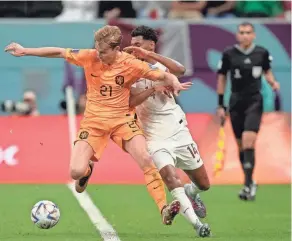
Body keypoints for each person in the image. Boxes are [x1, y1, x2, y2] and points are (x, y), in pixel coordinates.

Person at [4, 25, 192, 225]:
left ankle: (163, 209)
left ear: (115, 49)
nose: (98, 55)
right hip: (93, 123)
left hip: (123, 121)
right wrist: (25, 51)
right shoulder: (89, 56)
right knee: (75, 173)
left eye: (103, 52)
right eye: (97, 49)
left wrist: (174, 82)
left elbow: (165, 74)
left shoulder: (131, 64)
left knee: (146, 159)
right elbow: (59, 52)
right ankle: (86, 171)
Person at [123, 25, 211, 237]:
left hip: (178, 132)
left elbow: (180, 70)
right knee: (172, 179)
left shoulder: (159, 67)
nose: (133, 48)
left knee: (203, 184)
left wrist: (149, 56)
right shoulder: (128, 71)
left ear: (150, 45)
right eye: (132, 44)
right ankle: (198, 225)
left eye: (138, 45)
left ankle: (192, 193)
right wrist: (152, 89)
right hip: (154, 137)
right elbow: (130, 103)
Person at [216, 22, 280, 201]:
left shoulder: (262, 53)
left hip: (254, 101)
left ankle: (248, 184)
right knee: (240, 144)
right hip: (235, 101)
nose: (245, 35)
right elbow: (222, 78)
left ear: (254, 35)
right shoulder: (229, 54)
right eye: (242, 32)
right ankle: (249, 180)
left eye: (248, 32)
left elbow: (267, 71)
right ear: (237, 35)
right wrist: (221, 105)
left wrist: (273, 82)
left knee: (248, 141)